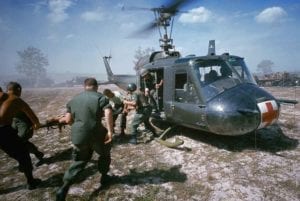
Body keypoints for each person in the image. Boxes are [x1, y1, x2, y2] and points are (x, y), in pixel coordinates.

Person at [56, 78, 114, 201]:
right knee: (104, 154)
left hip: (78, 135)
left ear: (84, 86)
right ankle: (104, 177)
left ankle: (64, 187)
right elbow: (108, 112)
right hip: (96, 133)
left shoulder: (73, 100)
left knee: (80, 161)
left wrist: (79, 127)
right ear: (96, 86)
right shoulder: (101, 97)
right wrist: (110, 131)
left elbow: (67, 120)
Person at [0, 86, 41, 190]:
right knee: (23, 155)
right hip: (4, 131)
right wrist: (36, 123)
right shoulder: (14, 99)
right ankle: (31, 182)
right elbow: (31, 114)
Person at [7, 82, 45, 166]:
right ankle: (36, 154)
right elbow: (30, 113)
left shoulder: (14, 100)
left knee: (20, 141)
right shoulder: (14, 99)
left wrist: (36, 123)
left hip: (23, 124)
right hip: (15, 123)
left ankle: (27, 161)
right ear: (18, 90)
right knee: (18, 142)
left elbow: (30, 113)